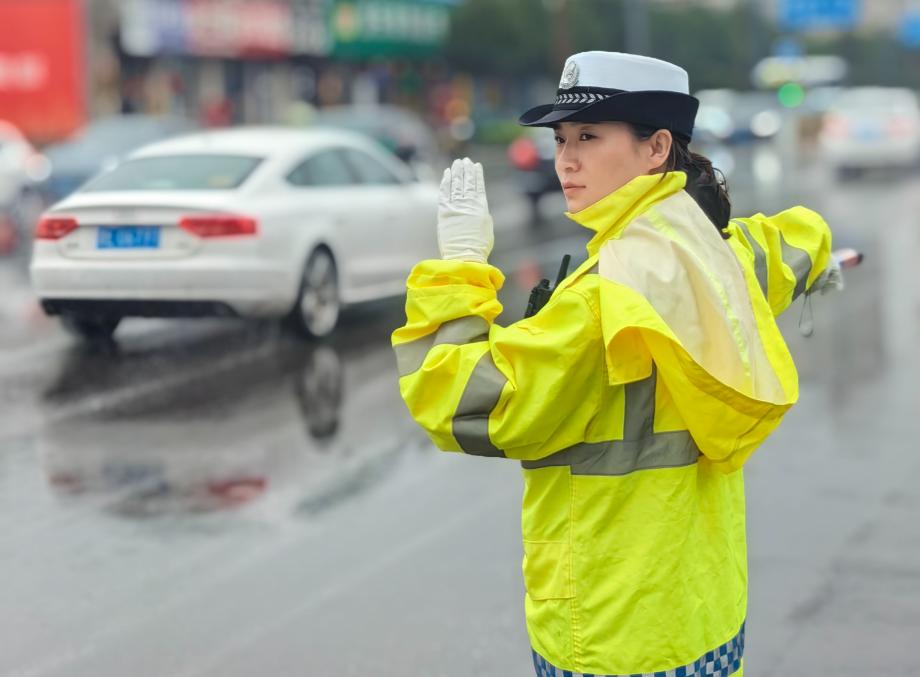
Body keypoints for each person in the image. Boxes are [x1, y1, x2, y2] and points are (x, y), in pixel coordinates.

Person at [392, 51, 839, 677]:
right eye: (561, 139)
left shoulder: (602, 296)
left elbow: (462, 402)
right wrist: (822, 260)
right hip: (703, 618)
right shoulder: (710, 256)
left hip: (609, 634)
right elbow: (785, 245)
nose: (566, 160)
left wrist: (459, 269)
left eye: (590, 137)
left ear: (656, 148)